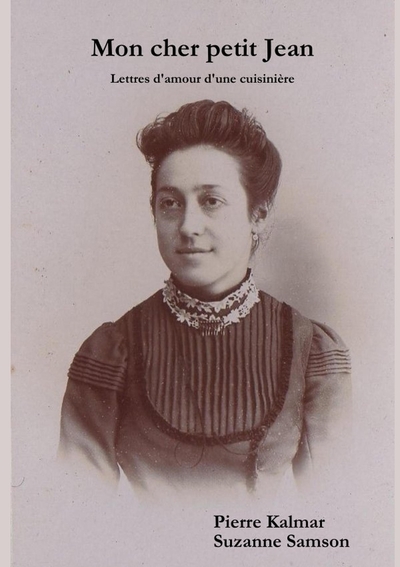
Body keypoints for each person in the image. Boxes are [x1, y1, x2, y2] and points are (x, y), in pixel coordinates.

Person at [59, 100, 351, 493]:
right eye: (170, 203)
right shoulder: (112, 352)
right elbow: (74, 509)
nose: (187, 226)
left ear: (258, 215)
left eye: (211, 201)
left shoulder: (309, 348)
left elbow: (337, 508)